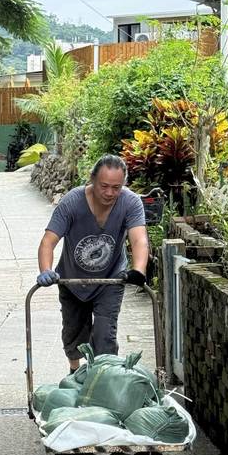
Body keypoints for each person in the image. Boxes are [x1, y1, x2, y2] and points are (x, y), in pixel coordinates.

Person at [36, 154, 149, 373]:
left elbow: (139, 239)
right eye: (104, 186)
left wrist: (138, 270)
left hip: (109, 279)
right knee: (74, 332)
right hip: (72, 279)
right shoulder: (72, 202)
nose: (109, 193)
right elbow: (48, 242)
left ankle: (104, 377)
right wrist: (46, 270)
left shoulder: (130, 202)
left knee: (105, 334)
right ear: (92, 180)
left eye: (116, 188)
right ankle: (75, 371)